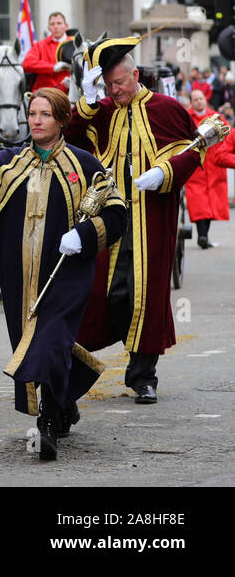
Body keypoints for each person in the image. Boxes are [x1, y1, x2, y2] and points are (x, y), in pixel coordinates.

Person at [0, 88, 127, 460]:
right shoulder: (7, 161)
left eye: (45, 114)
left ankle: (46, 422)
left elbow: (115, 213)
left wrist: (82, 235)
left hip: (66, 275)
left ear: (62, 120)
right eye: (32, 113)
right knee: (30, 341)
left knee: (49, 339)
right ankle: (63, 399)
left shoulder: (86, 165)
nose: (35, 120)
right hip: (17, 275)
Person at [63, 36, 201, 405]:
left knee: (146, 293)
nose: (115, 91)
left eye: (119, 84)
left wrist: (164, 172)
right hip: (108, 217)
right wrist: (89, 102)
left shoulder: (166, 107)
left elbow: (193, 150)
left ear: (135, 75)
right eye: (108, 86)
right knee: (105, 292)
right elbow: (70, 136)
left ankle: (143, 375)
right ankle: (81, 360)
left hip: (150, 217)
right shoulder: (102, 108)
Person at [183, 89, 235, 248]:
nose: (198, 102)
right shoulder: (187, 117)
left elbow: (228, 135)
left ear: (205, 99)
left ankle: (204, 236)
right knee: (199, 203)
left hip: (214, 165)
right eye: (195, 99)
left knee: (213, 204)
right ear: (192, 102)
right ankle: (203, 236)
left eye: (200, 98)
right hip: (196, 166)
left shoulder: (216, 117)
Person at [21, 11, 74, 93]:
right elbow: (27, 63)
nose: (56, 27)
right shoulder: (40, 45)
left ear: (66, 26)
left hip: (69, 92)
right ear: (49, 27)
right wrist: (53, 67)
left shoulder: (75, 45)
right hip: (44, 92)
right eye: (52, 24)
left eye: (59, 23)